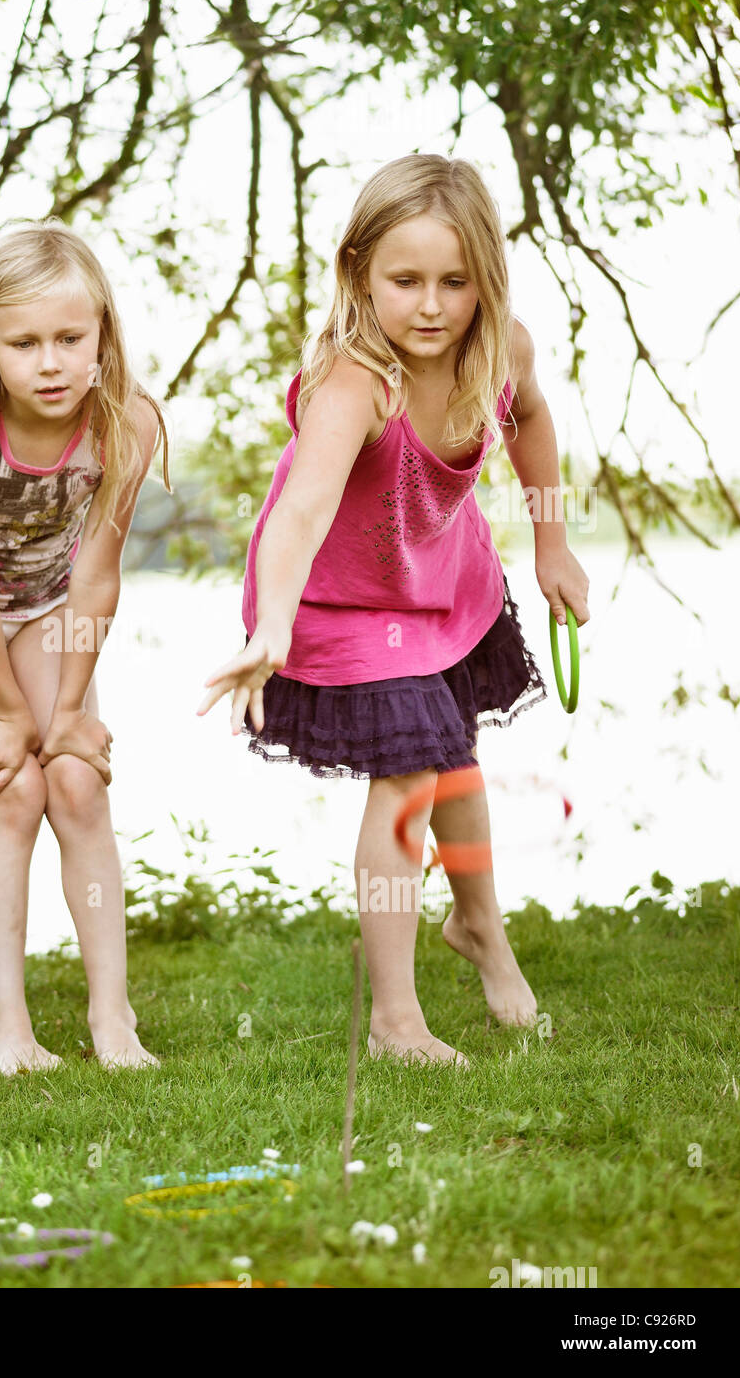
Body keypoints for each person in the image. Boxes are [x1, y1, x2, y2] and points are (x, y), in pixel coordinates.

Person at [198, 155, 590, 1067]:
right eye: (405, 281)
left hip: (440, 581)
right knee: (410, 771)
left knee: (456, 756)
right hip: (332, 598)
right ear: (359, 272)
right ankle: (395, 1021)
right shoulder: (354, 381)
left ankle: (479, 925)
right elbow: (301, 510)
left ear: (486, 278)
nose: (431, 305)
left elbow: (531, 420)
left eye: (455, 281)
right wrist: (271, 625)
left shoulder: (504, 349)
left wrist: (553, 544)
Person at [0, 220, 170, 1074]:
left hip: (53, 600)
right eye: (24, 344)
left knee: (78, 783)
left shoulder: (127, 423)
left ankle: (113, 1019)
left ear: (102, 334)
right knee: (13, 786)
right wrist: (11, 716)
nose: (50, 363)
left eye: (69, 339)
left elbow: (96, 574)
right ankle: (6, 1031)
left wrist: (70, 712)